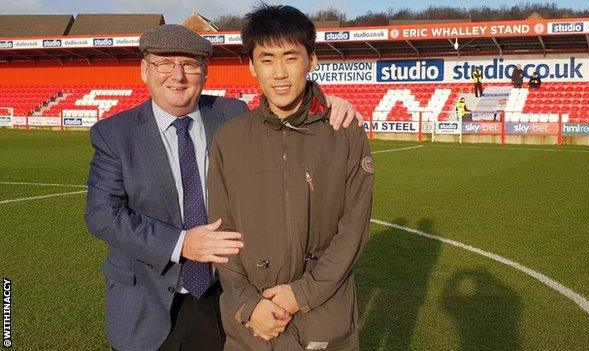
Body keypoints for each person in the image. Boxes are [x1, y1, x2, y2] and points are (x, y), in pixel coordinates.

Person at [84, 24, 362, 351]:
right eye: (164, 64)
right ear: (145, 69)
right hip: (147, 302)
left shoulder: (231, 115)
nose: (178, 75)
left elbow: (286, 105)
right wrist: (181, 243)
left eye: (190, 65)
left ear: (205, 73)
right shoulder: (114, 133)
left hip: (223, 297)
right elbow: (102, 214)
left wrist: (329, 103)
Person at [209, 4, 374, 350]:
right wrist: (249, 304)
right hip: (252, 328)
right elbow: (222, 234)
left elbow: (353, 231)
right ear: (252, 66)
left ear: (311, 61)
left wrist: (302, 294)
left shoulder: (345, 133)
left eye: (290, 57)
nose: (279, 72)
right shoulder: (229, 138)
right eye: (267, 59)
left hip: (323, 323)